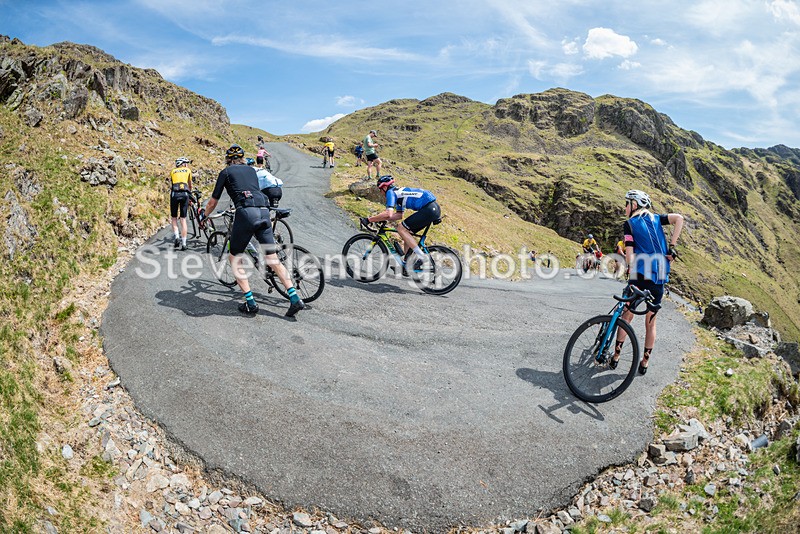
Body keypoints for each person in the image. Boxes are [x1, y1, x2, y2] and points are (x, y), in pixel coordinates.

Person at [200, 144, 305, 317]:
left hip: (246, 212)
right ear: (242, 158)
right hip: (263, 211)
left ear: (228, 160)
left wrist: (204, 216)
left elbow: (213, 202)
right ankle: (294, 299)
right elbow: (252, 190)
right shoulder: (251, 170)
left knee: (234, 257)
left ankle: (250, 303)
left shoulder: (225, 172)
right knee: (272, 258)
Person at [611, 189, 684, 375]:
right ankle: (644, 362)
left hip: (639, 275)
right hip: (659, 276)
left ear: (634, 205)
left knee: (626, 315)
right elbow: (679, 218)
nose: (625, 207)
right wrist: (672, 247)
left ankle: (616, 356)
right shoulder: (658, 218)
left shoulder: (630, 224)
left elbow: (629, 258)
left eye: (626, 203)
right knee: (650, 323)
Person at [359, 176, 440, 270]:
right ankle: (407, 263)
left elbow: (388, 214)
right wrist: (380, 218)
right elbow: (398, 215)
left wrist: (369, 220)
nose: (380, 193)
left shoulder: (391, 193)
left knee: (401, 228)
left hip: (429, 209)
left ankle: (422, 257)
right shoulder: (398, 194)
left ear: (384, 187)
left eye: (380, 190)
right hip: (432, 209)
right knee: (406, 231)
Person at [168, 157, 193, 250]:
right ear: (183, 164)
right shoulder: (188, 170)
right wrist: (191, 193)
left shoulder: (173, 171)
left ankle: (177, 237)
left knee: (174, 218)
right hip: (185, 194)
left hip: (174, 194)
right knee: (183, 219)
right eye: (186, 163)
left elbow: (172, 184)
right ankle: (184, 244)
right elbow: (190, 185)